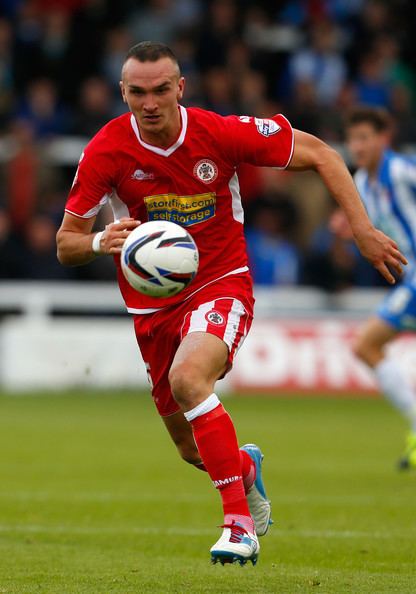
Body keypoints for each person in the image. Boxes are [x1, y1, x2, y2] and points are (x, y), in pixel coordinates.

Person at [56, 42, 406, 566]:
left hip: (221, 282)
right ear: (123, 92)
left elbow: (321, 154)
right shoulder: (106, 150)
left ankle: (238, 527)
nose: (150, 102)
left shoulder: (218, 132)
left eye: (160, 90)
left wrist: (361, 228)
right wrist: (101, 241)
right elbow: (66, 244)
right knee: (190, 449)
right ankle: (243, 465)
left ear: (181, 87)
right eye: (137, 92)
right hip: (152, 309)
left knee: (188, 378)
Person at [332, 107, 416, 469]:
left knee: (366, 343)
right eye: (353, 139)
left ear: (384, 138)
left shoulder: (398, 170)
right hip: (411, 279)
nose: (358, 146)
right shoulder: (362, 184)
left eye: (366, 138)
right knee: (367, 345)